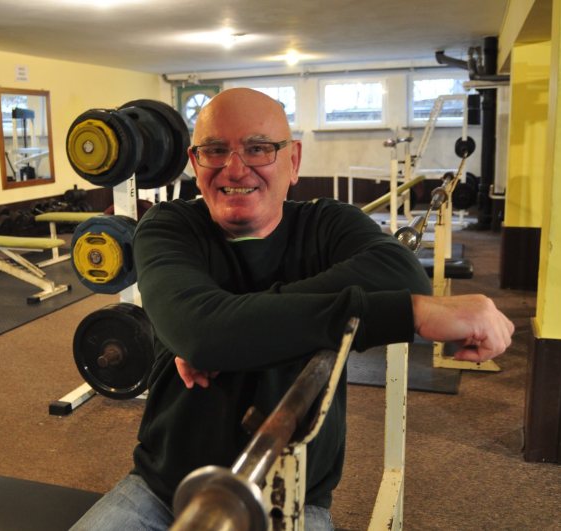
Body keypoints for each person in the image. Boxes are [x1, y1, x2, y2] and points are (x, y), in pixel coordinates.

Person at [72, 88, 514, 530]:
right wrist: (406, 314)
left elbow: (405, 279)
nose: (235, 168)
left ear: (294, 160)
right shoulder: (169, 226)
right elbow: (202, 334)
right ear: (195, 161)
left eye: (258, 148)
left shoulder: (329, 224)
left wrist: (226, 327)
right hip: (161, 489)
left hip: (295, 498)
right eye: (215, 150)